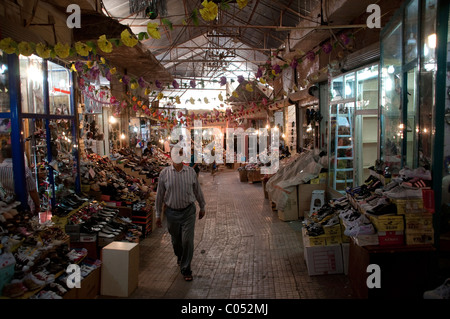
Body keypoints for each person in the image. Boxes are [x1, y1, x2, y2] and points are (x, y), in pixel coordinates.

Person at [155, 150, 206, 281]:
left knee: (187, 240)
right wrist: (157, 214)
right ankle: (180, 256)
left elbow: (197, 191)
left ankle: (186, 268)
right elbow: (159, 195)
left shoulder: (190, 172)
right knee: (176, 241)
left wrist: (202, 206)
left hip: (188, 211)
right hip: (171, 213)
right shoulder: (164, 173)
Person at [0, 144, 40, 214]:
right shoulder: (23, 169)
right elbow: (32, 190)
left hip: (3, 209)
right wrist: (37, 206)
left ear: (2, 155)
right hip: (21, 206)